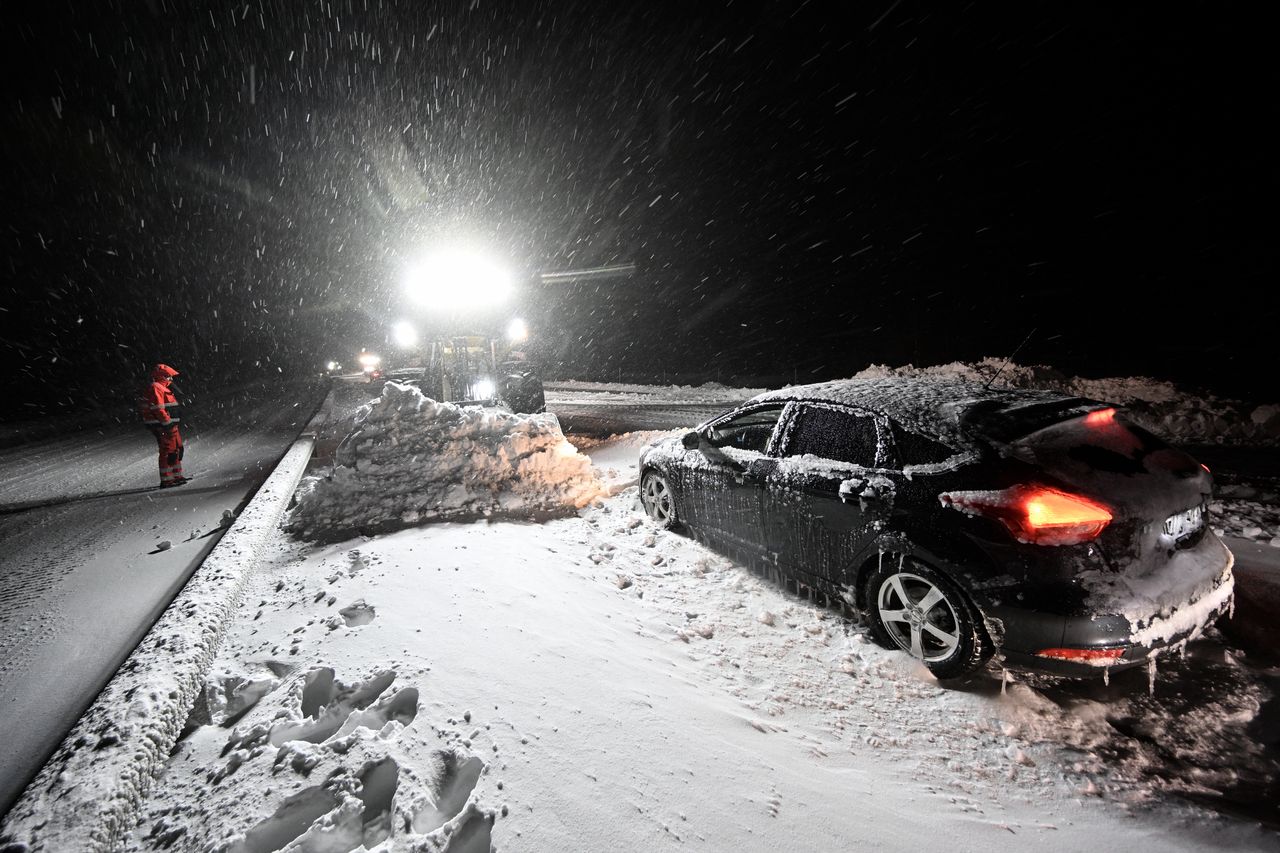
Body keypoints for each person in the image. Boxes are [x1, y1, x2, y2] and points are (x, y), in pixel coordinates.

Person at [139, 363, 187, 487]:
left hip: (168, 424)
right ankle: (167, 480)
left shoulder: (161, 387)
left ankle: (176, 476)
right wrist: (168, 423)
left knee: (176, 448)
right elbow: (158, 409)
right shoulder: (156, 388)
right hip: (163, 425)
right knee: (167, 450)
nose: (171, 379)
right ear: (163, 376)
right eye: (169, 376)